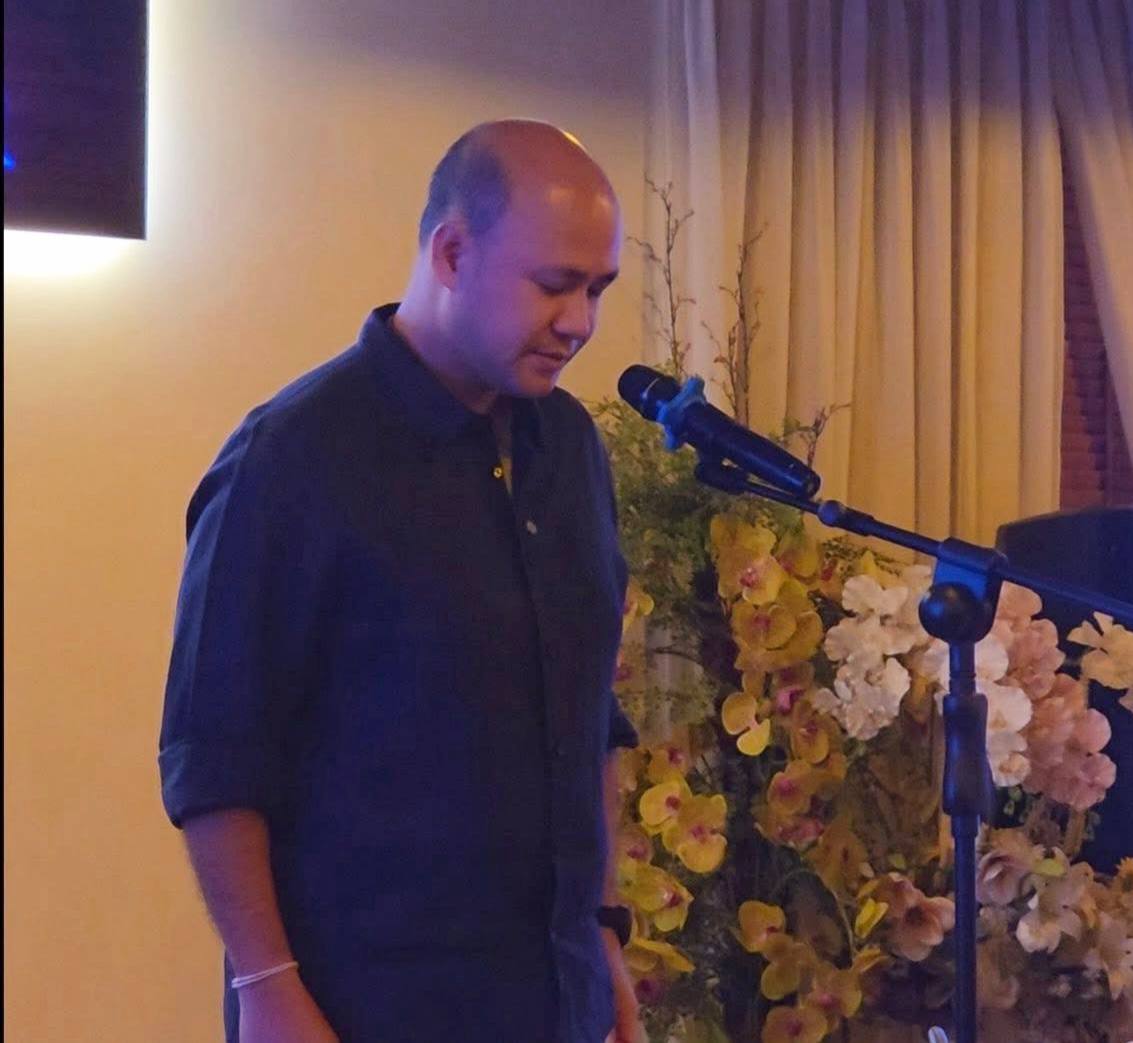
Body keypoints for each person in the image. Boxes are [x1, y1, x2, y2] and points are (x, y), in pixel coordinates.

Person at [158, 119, 643, 1043]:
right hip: (364, 1004)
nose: (580, 321)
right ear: (453, 253)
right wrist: (266, 987)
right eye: (554, 284)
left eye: (597, 289)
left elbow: (588, 719)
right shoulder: (291, 457)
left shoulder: (572, 448)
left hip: (558, 999)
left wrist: (602, 934)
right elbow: (213, 756)